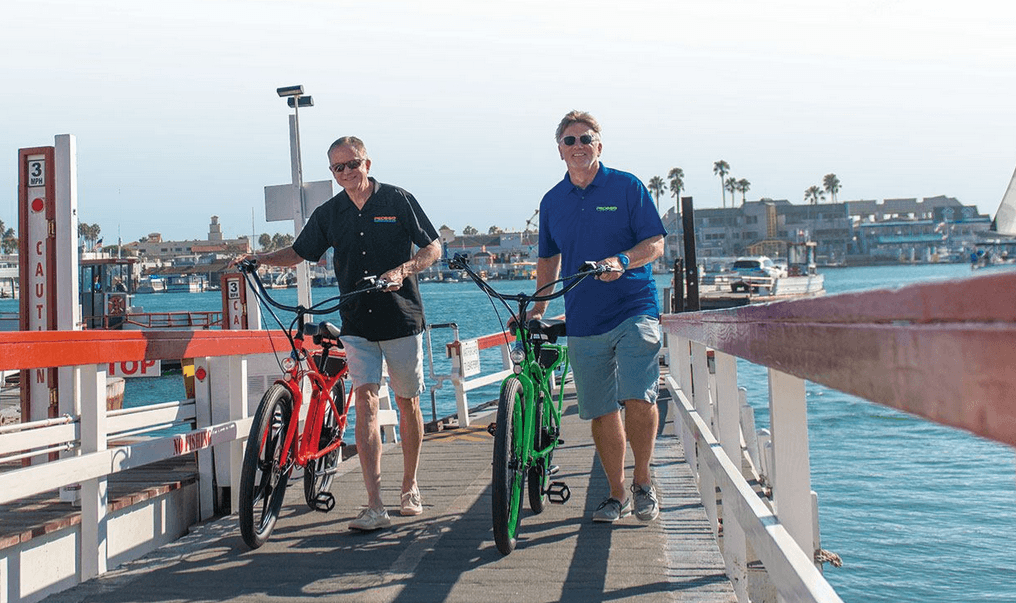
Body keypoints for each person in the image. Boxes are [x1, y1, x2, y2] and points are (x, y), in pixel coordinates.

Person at [239, 136, 441, 531]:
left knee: (406, 402)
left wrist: (404, 270)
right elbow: (300, 251)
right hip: (357, 322)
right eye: (338, 168)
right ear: (332, 172)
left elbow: (433, 247)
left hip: (401, 319)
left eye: (353, 164)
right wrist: (260, 260)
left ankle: (410, 485)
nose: (347, 173)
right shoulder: (330, 213)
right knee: (364, 400)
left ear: (368, 162)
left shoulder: (398, 200)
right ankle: (374, 504)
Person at [530, 111, 666, 523]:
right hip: (584, 318)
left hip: (633, 308)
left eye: (585, 139)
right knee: (601, 409)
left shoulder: (627, 187)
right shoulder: (552, 201)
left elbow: (655, 243)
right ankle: (616, 493)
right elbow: (548, 258)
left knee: (638, 394)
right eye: (569, 141)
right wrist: (538, 307)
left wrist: (623, 261)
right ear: (559, 150)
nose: (578, 146)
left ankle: (643, 482)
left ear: (599, 145)